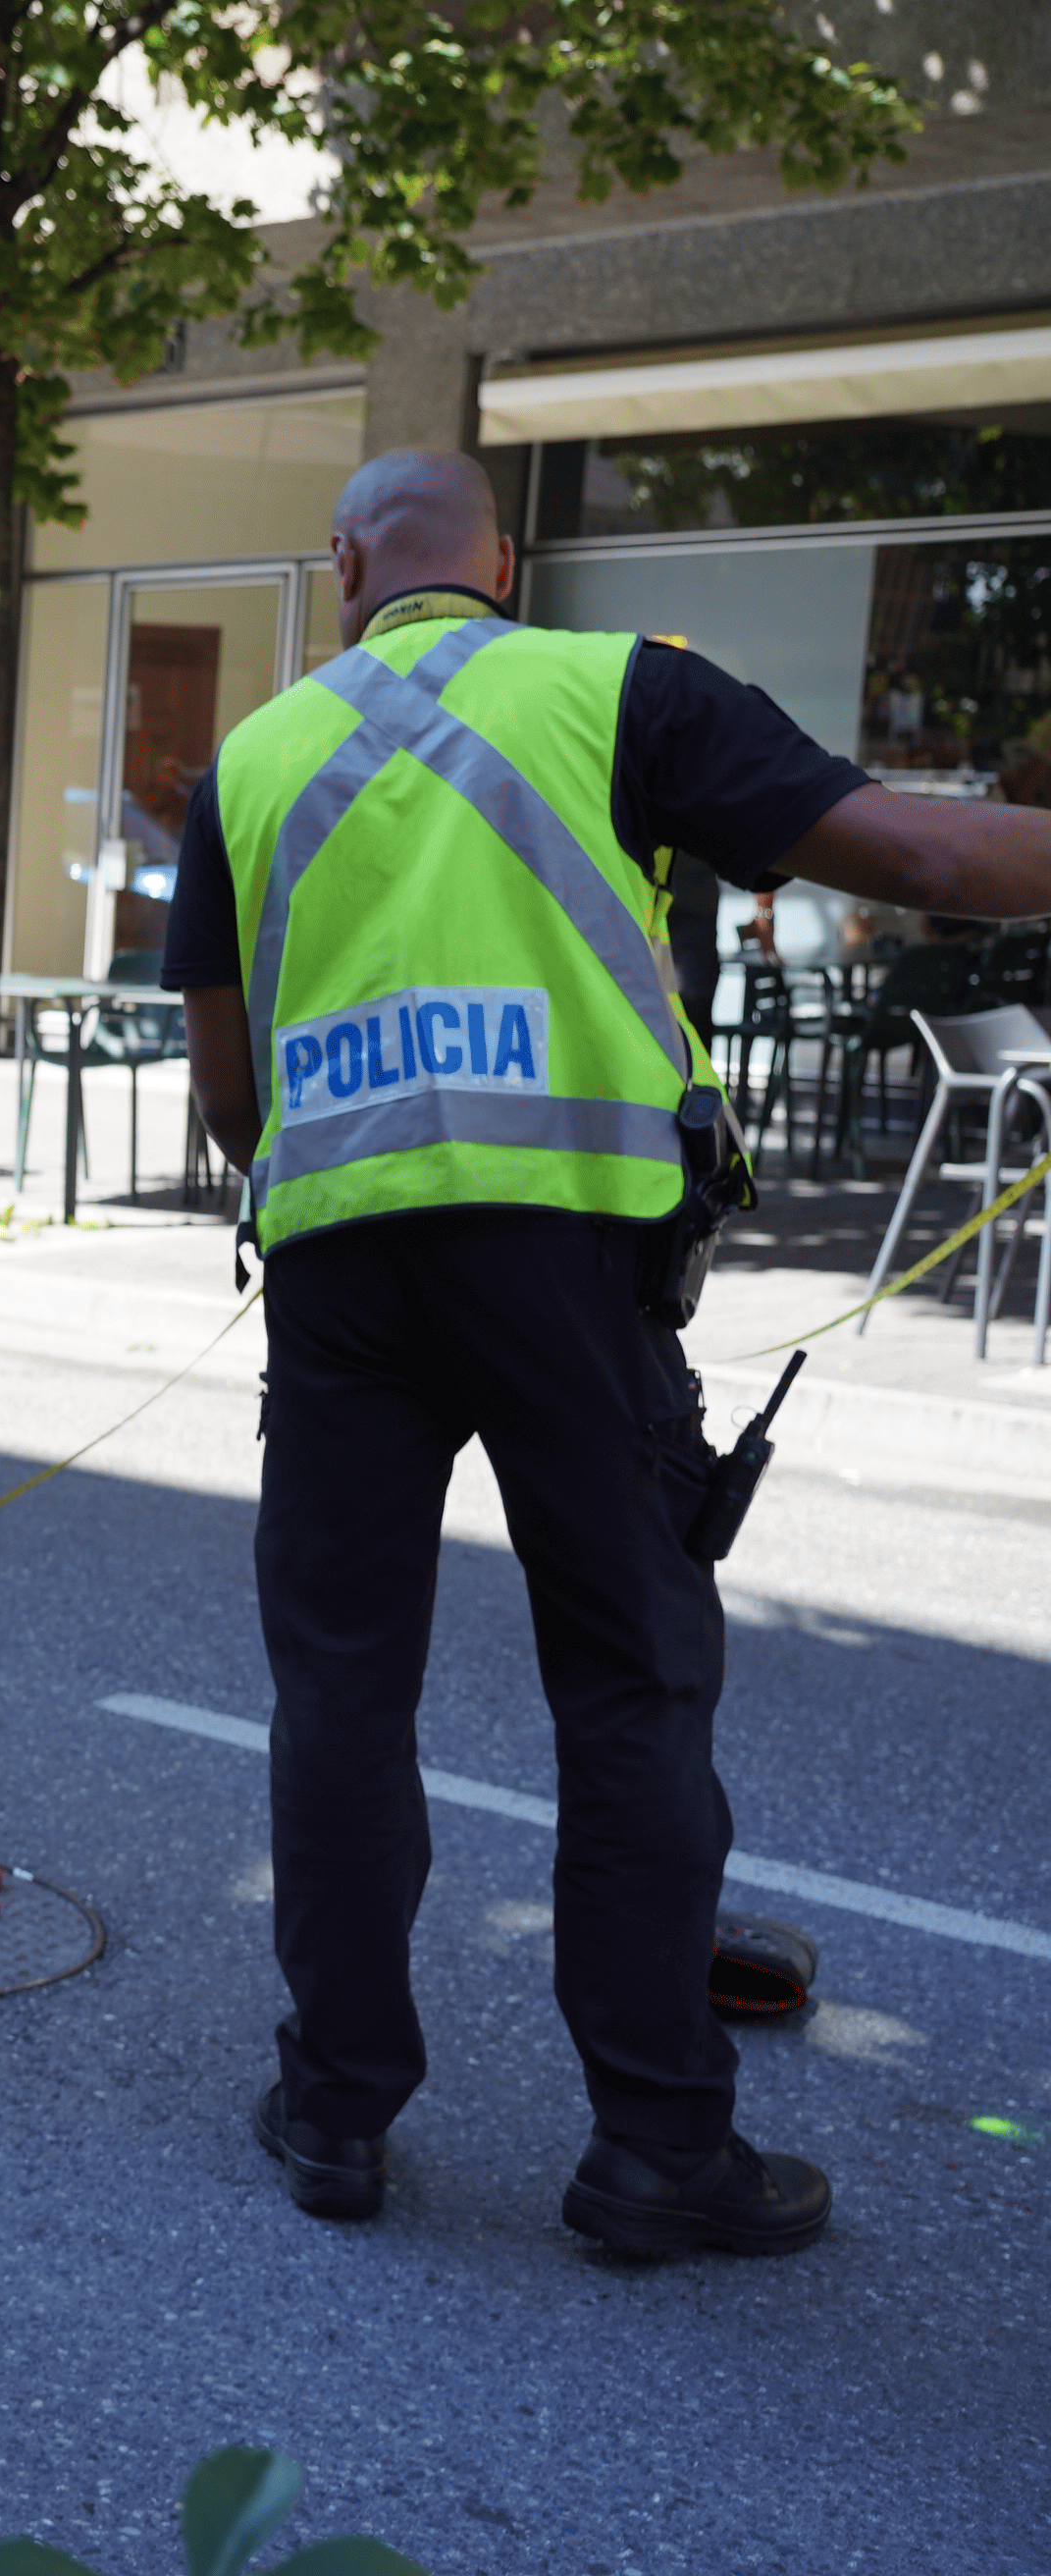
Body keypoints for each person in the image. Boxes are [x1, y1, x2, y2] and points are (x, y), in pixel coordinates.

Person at [166, 448, 1051, 2258]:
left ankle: (335, 2108)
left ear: (343, 564)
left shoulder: (248, 764)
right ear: (506, 557)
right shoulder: (613, 685)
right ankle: (654, 2146)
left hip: (339, 1278)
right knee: (628, 1693)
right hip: (570, 1262)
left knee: (343, 1692)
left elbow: (226, 1087)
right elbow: (926, 854)